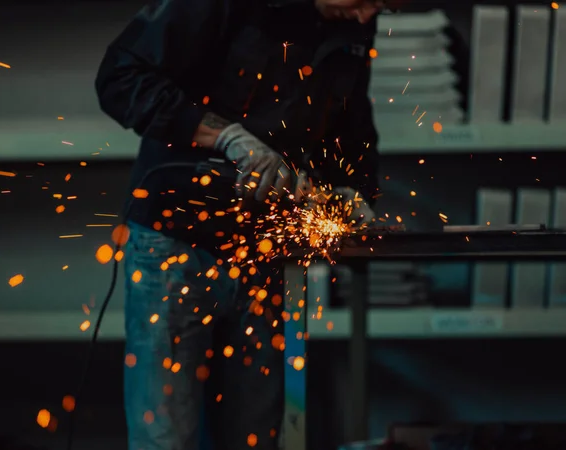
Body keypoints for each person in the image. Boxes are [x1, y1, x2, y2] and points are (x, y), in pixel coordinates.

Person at [95, 0, 383, 448]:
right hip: (176, 244)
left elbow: (351, 122)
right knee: (167, 438)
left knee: (254, 437)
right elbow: (120, 76)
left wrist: (353, 191)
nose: (368, 16)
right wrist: (225, 136)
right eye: (363, 1)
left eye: (383, 7)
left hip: (265, 251)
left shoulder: (352, 21)